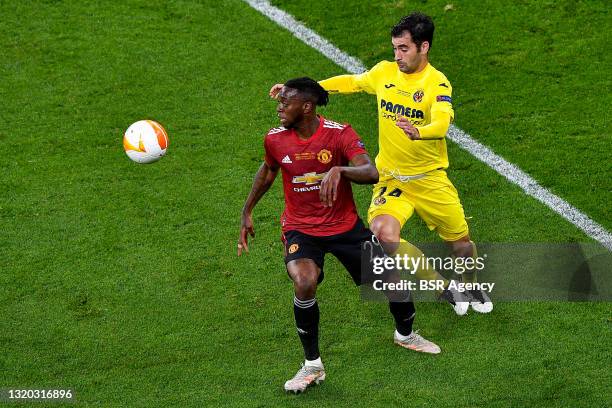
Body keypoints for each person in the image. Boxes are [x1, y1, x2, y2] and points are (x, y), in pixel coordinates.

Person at [269, 12, 492, 315]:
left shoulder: (437, 84)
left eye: (404, 48)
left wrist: (419, 132)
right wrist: (299, 93)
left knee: (461, 243)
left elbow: (441, 124)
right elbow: (353, 82)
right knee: (384, 234)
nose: (397, 56)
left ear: (423, 47)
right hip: (391, 177)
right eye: (395, 48)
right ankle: (443, 287)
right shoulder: (384, 73)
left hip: (429, 178)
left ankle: (470, 285)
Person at [238, 77, 441, 394]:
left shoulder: (339, 134)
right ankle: (312, 366)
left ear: (306, 107)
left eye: (286, 102)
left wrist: (340, 170)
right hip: (301, 229)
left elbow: (370, 171)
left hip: (344, 228)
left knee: (392, 282)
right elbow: (268, 170)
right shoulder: (275, 139)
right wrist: (247, 209)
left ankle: (405, 334)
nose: (279, 107)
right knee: (304, 281)